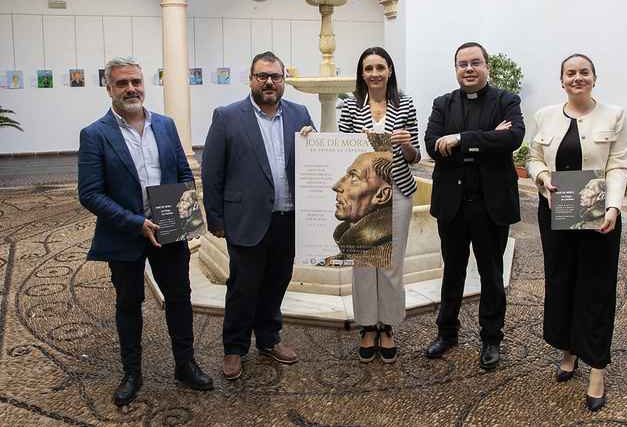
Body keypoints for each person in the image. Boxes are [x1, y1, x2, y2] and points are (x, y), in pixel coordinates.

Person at [78, 56, 213, 407]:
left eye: (136, 81)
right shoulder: (95, 134)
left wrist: (183, 214)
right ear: (109, 88)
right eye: (122, 83)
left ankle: (185, 365)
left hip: (169, 229)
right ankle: (132, 372)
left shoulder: (165, 126)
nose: (131, 88)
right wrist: (135, 222)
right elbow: (90, 193)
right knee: (128, 303)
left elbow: (184, 172)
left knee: (180, 299)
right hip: (126, 233)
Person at [201, 51, 315, 380]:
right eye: (262, 76)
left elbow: (315, 163)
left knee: (277, 282)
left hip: (288, 218)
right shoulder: (227, 116)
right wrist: (216, 219)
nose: (269, 82)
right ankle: (234, 348)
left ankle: (268, 339)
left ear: (283, 81)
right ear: (251, 79)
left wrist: (315, 141)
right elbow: (212, 172)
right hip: (247, 218)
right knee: (243, 287)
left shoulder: (300, 113)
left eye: (275, 77)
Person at [527, 53, 627, 412]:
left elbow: (619, 164)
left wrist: (614, 206)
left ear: (594, 78)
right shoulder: (545, 116)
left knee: (596, 287)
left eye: (584, 72)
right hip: (557, 209)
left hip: (598, 211)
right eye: (570, 73)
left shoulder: (614, 116)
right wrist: (542, 177)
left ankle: (597, 368)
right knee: (561, 281)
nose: (577, 78)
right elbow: (533, 157)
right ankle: (569, 350)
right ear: (562, 80)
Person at [423, 42, 525, 370]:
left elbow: (512, 139)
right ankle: (447, 332)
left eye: (475, 63)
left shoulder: (506, 101)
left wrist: (460, 140)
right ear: (456, 69)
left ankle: (491, 338)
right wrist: (485, 139)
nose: (468, 69)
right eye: (462, 64)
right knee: (452, 271)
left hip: (490, 204)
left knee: (491, 274)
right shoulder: (443, 104)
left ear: (487, 67)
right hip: (452, 204)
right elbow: (431, 146)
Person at [335, 46, 420, 364]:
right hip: (364, 195)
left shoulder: (405, 103)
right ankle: (367, 326)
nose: (374, 73)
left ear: (390, 71)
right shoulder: (349, 105)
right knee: (363, 263)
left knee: (390, 263)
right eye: (368, 68)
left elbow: (414, 158)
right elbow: (341, 151)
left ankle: (388, 326)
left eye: (380, 67)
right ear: (361, 73)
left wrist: (408, 145)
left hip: (397, 191)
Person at [330, 145, 394, 268]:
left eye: (354, 177)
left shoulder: (378, 260)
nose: (337, 186)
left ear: (382, 195)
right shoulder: (354, 249)